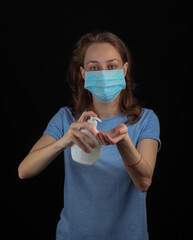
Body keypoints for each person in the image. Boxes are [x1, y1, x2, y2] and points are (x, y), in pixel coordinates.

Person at [18, 31, 161, 240]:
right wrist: (64, 141)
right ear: (83, 73)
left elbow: (144, 182)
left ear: (124, 70)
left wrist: (123, 142)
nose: (103, 74)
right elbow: (24, 170)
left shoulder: (145, 120)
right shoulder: (66, 120)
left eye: (111, 66)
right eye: (94, 68)